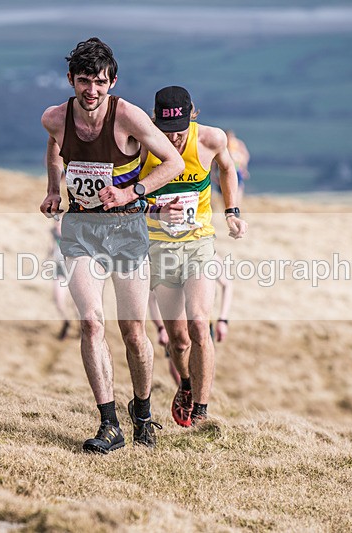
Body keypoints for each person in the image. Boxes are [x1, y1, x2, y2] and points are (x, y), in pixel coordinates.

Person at [40, 38, 184, 454]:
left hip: (126, 229)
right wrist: (54, 189)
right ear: (71, 80)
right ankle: (109, 424)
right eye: (83, 81)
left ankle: (142, 414)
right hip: (81, 229)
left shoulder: (129, 116)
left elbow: (172, 163)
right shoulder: (55, 118)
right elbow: (53, 145)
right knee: (90, 322)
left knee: (134, 331)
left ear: (112, 81)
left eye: (99, 82)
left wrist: (132, 192)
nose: (91, 90)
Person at [140, 86, 247, 427]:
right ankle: (186, 383)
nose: (172, 140)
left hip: (199, 242)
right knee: (179, 339)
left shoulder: (211, 139)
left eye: (180, 131)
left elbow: (227, 169)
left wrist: (231, 211)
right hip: (160, 246)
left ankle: (201, 411)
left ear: (193, 116)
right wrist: (156, 212)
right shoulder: (142, 143)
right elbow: (125, 197)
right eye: (167, 132)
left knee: (200, 324)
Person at [149, 252, 233, 387]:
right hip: (175, 322)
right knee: (178, 364)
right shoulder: (167, 256)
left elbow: (227, 285)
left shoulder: (210, 256)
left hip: (202, 323)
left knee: (205, 367)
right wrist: (161, 328)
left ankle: (201, 404)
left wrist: (223, 320)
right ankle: (186, 393)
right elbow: (152, 298)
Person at [48, 217, 73, 340]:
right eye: (55, 220)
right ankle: (66, 322)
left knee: (78, 304)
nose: (57, 223)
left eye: (60, 221)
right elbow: (50, 250)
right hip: (60, 269)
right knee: (58, 299)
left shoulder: (73, 233)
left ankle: (83, 326)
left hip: (75, 270)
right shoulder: (53, 233)